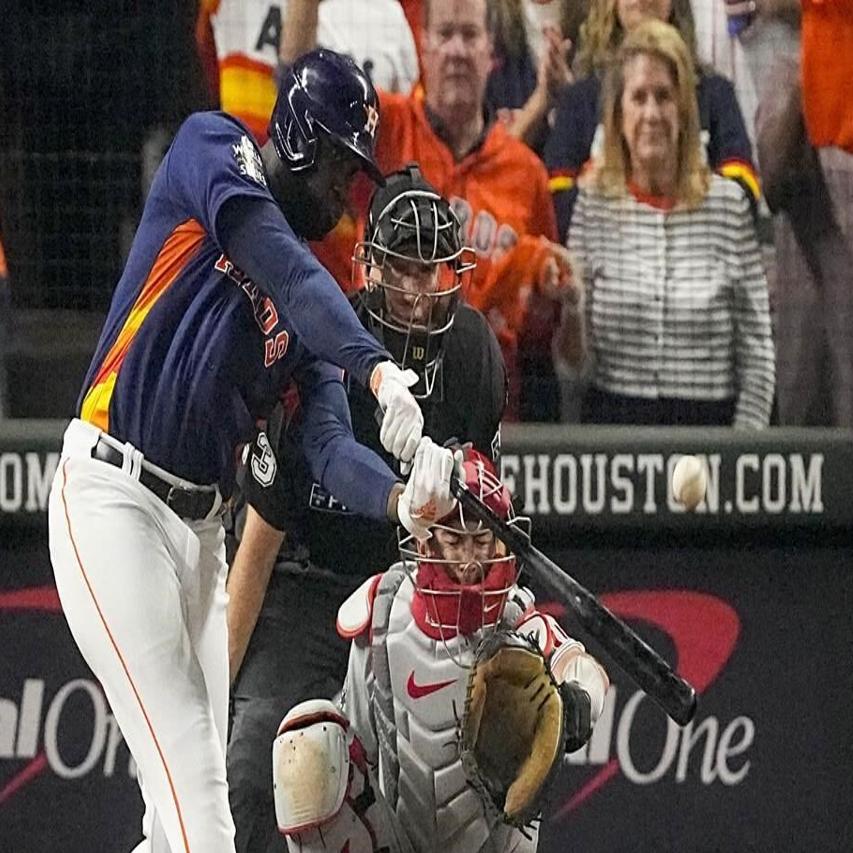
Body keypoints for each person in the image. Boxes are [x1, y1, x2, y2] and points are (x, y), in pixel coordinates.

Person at [46, 50, 458, 853]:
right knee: (205, 807)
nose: (348, 189)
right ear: (301, 139)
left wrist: (398, 499)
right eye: (341, 163)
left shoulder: (312, 314)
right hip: (110, 500)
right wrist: (375, 367)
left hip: (200, 535)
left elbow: (330, 445)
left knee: (173, 832)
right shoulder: (213, 149)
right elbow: (285, 269)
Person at [226, 165, 507, 853]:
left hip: (413, 591)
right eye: (401, 270)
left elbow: (484, 536)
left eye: (432, 272)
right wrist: (213, 691)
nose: (416, 293)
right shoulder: (316, 346)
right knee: (255, 760)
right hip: (307, 581)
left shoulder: (472, 353)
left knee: (460, 786)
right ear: (368, 268)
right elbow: (255, 550)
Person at [272, 453, 610, 853]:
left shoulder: (516, 619)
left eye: (481, 541)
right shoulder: (382, 610)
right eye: (454, 541)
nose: (469, 560)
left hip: (491, 844)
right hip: (396, 836)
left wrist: (577, 700)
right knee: (307, 743)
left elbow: (583, 669)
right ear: (425, 539)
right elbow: (354, 740)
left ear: (501, 541)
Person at [282, 0, 577, 422]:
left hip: (485, 407)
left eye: (470, 34)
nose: (457, 49)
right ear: (422, 45)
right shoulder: (387, 129)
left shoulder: (526, 172)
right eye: (445, 34)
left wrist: (551, 289)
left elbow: (541, 335)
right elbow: (300, 89)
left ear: (491, 51)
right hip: (375, 400)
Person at [557, 20, 775, 427]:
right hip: (616, 437)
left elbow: (759, 358)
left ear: (685, 111)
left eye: (664, 97)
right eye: (638, 98)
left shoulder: (727, 207)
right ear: (617, 115)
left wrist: (741, 455)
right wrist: (573, 311)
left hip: (711, 437)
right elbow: (574, 375)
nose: (652, 113)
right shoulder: (593, 206)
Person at [544, 0, 759, 241]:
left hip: (697, 258)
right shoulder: (579, 99)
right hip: (606, 260)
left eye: (664, 96)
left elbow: (745, 194)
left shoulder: (715, 93)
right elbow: (555, 204)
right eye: (637, 98)